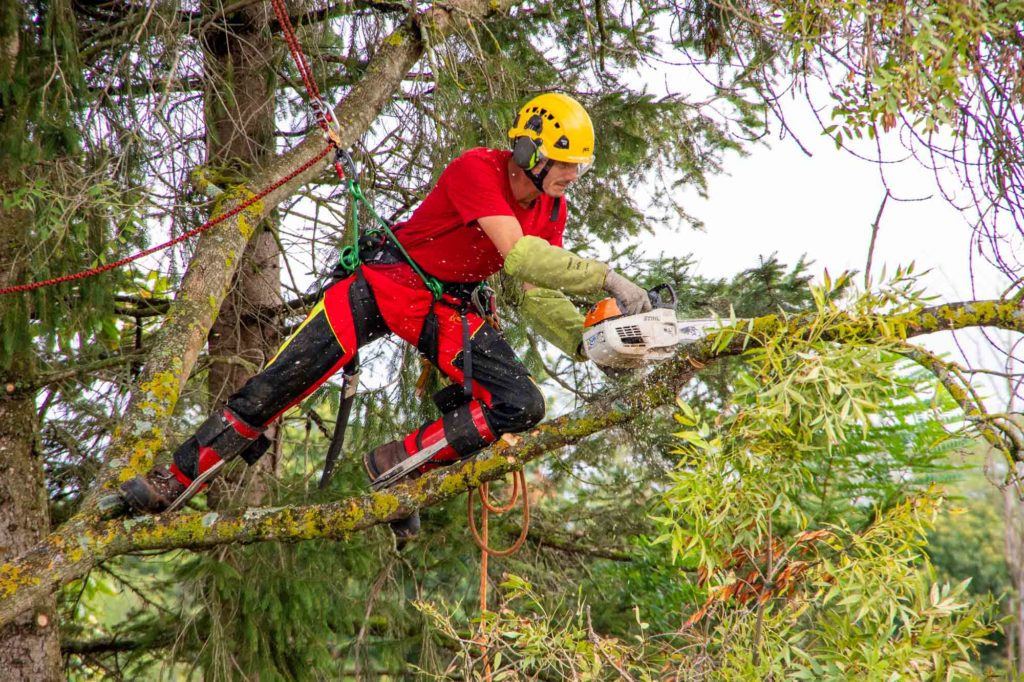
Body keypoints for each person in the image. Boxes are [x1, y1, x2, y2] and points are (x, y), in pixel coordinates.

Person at [120, 92, 652, 537]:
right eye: (566, 162)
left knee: (520, 404)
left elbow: (534, 289)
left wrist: (583, 341)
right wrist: (606, 277)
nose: (574, 175)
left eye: (578, 165)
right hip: (381, 284)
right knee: (274, 388)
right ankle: (174, 479)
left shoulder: (551, 207)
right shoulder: (477, 169)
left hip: (444, 306)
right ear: (530, 150)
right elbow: (516, 254)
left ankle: (395, 468)